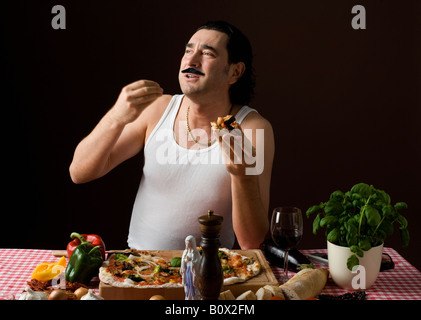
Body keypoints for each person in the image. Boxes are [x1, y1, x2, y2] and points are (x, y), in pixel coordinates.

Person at [69, 20, 275, 250]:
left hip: (211, 274)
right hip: (139, 267)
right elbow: (79, 172)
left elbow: (251, 241)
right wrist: (115, 117)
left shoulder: (253, 128)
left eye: (207, 53)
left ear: (235, 72)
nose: (192, 60)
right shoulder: (157, 109)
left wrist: (242, 175)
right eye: (188, 50)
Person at [180, 235, 201, 300]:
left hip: (192, 272)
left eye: (188, 243)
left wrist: (190, 261)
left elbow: (197, 262)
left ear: (192, 243)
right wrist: (185, 261)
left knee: (193, 286)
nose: (187, 244)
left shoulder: (195, 253)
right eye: (186, 243)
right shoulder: (185, 252)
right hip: (186, 272)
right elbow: (183, 262)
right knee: (187, 286)